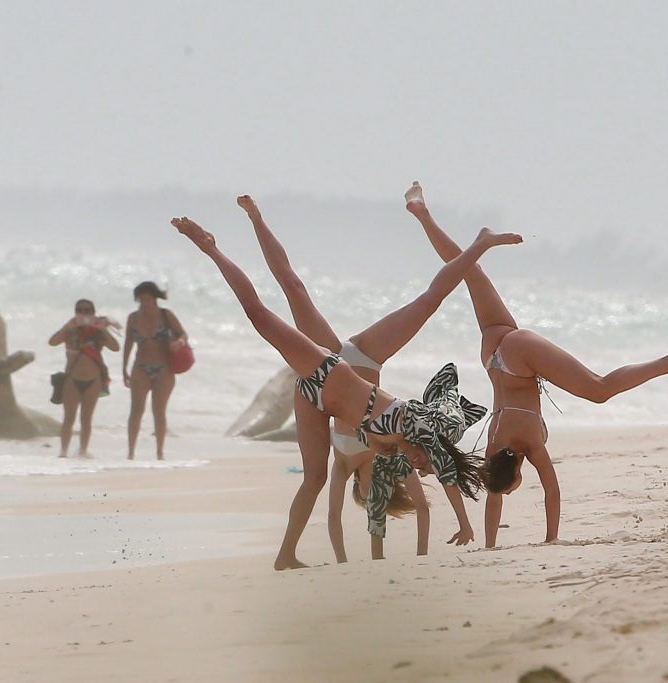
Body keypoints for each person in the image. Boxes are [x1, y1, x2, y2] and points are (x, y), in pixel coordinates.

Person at [172, 211, 521, 569]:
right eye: (426, 463)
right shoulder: (414, 422)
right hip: (326, 369)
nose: (419, 466)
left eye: (422, 469)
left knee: (315, 477)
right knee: (259, 311)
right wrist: (483, 245)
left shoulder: (391, 452)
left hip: (315, 400)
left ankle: (285, 555)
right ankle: (209, 246)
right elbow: (447, 469)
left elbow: (425, 492)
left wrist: (459, 510)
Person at [404, 181, 668, 547]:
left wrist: (551, 541)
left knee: (599, 389)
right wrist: (490, 545)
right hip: (492, 355)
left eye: (514, 485)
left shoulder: (528, 444)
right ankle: (423, 215)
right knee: (468, 273)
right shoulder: (493, 447)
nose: (513, 490)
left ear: (515, 471)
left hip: (516, 356)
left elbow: (552, 492)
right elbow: (494, 496)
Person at [237, 195, 441, 563]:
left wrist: (344, 564)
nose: (371, 490)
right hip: (367, 356)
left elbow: (332, 514)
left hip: (326, 360)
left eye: (366, 495)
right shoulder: (395, 458)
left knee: (292, 287)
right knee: (426, 304)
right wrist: (428, 550)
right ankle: (257, 218)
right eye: (376, 492)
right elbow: (425, 502)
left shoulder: (343, 463)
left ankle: (254, 219)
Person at [122, 281, 189, 460]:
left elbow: (183, 333)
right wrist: (124, 369)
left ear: (155, 299)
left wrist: (179, 343)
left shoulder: (166, 315)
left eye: (148, 299)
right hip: (140, 367)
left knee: (159, 411)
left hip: (163, 369)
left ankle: (160, 452)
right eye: (141, 300)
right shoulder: (133, 318)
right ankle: (130, 453)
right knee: (136, 411)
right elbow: (128, 343)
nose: (144, 303)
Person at [48, 299, 120, 458]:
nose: (84, 314)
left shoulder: (98, 332)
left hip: (93, 380)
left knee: (86, 419)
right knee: (69, 417)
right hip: (72, 379)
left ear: (93, 313)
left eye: (88, 311)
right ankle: (63, 452)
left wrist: (103, 329)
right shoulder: (71, 330)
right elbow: (52, 342)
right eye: (80, 311)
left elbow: (116, 348)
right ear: (75, 313)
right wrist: (67, 327)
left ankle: (82, 451)